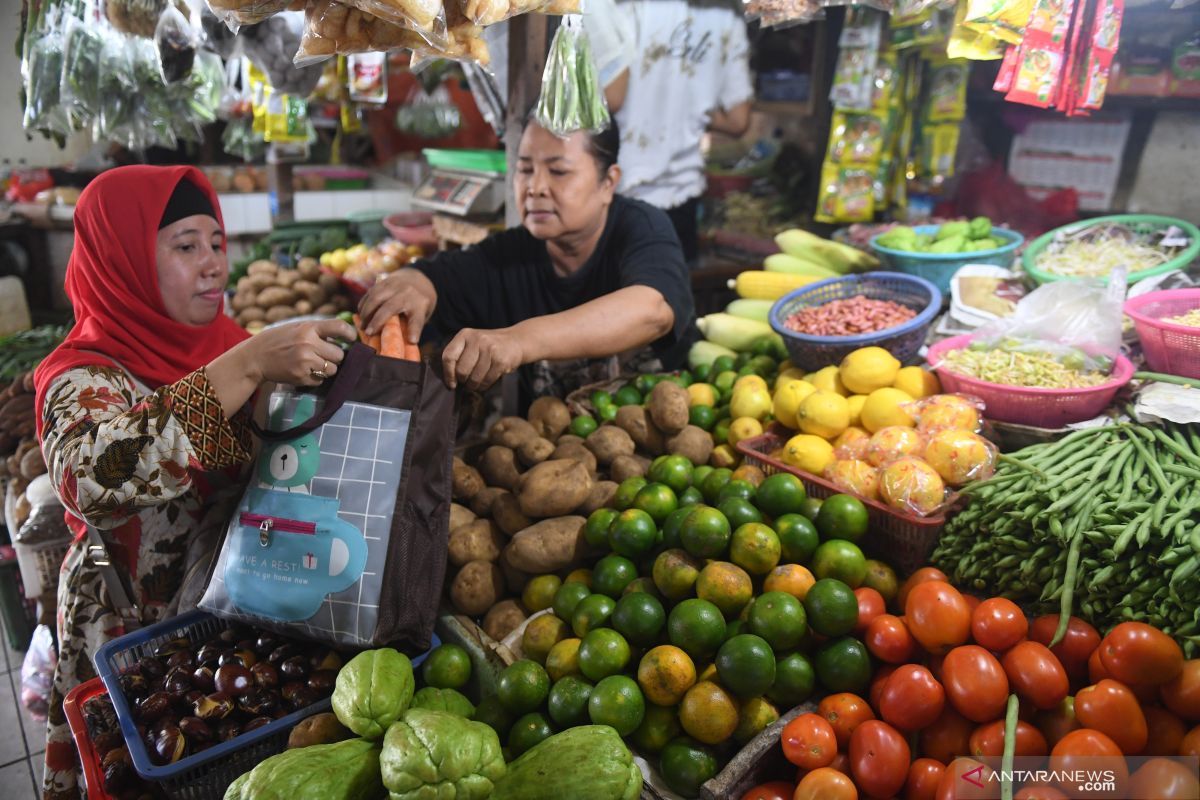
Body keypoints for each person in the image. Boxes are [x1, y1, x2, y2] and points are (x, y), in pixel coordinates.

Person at [33, 165, 356, 800]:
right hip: (132, 641)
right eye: (185, 246)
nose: (213, 265)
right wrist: (249, 365)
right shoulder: (81, 376)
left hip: (232, 637)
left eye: (216, 243)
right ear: (120, 260)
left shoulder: (233, 345)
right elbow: (92, 478)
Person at [358, 116, 697, 406]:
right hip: (546, 455)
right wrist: (409, 287)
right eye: (524, 170)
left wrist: (518, 341)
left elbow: (652, 310)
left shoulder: (641, 227)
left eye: (559, 171)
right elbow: (431, 278)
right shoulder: (509, 256)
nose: (535, 188)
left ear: (608, 182)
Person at [591, 0, 755, 265]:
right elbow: (738, 120)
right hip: (681, 204)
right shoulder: (725, 12)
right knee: (669, 301)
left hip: (616, 195)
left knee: (608, 302)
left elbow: (612, 98)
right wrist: (691, 107)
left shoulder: (618, 6)